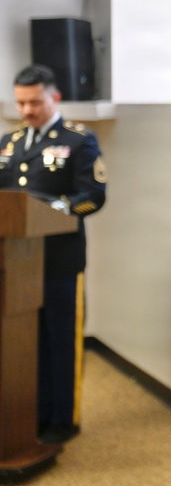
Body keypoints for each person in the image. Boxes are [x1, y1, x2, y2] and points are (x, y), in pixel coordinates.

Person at [0, 64, 107, 444]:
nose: (26, 111)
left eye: (34, 102)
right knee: (23, 341)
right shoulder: (8, 143)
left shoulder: (80, 140)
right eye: (20, 103)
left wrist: (51, 210)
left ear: (54, 97)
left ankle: (63, 419)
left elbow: (92, 198)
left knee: (61, 341)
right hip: (16, 265)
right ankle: (31, 412)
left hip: (60, 261)